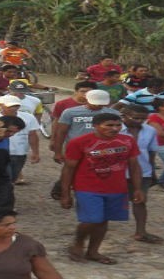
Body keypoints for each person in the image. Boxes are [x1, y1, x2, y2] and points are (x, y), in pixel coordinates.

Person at [60, 113, 144, 265]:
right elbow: (68, 168)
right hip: (87, 187)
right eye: (109, 125)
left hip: (117, 188)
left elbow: (134, 165)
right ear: (96, 125)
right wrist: (65, 193)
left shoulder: (127, 141)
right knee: (92, 219)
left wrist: (137, 188)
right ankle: (78, 244)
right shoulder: (79, 142)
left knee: (103, 220)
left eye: (118, 125)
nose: (114, 128)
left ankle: (93, 251)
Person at [119, 105, 163, 244]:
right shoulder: (114, 129)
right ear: (124, 116)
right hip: (117, 172)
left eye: (143, 119)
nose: (139, 121)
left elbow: (151, 152)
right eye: (136, 118)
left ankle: (141, 232)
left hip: (142, 171)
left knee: (140, 201)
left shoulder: (150, 131)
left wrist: (152, 172)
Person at [0, 95, 41, 184]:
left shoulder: (29, 117)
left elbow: (32, 135)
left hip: (19, 152)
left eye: (16, 106)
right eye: (10, 106)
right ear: (1, 105)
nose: (13, 108)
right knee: (3, 177)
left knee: (13, 177)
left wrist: (35, 152)